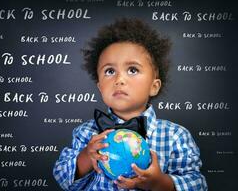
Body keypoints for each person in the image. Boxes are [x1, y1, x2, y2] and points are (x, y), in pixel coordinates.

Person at [53, 18, 208, 191]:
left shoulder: (176, 136)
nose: (119, 80)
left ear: (154, 86)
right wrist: (85, 158)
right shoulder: (86, 134)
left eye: (132, 70)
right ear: (100, 87)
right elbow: (62, 178)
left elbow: (198, 185)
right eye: (110, 71)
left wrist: (160, 183)